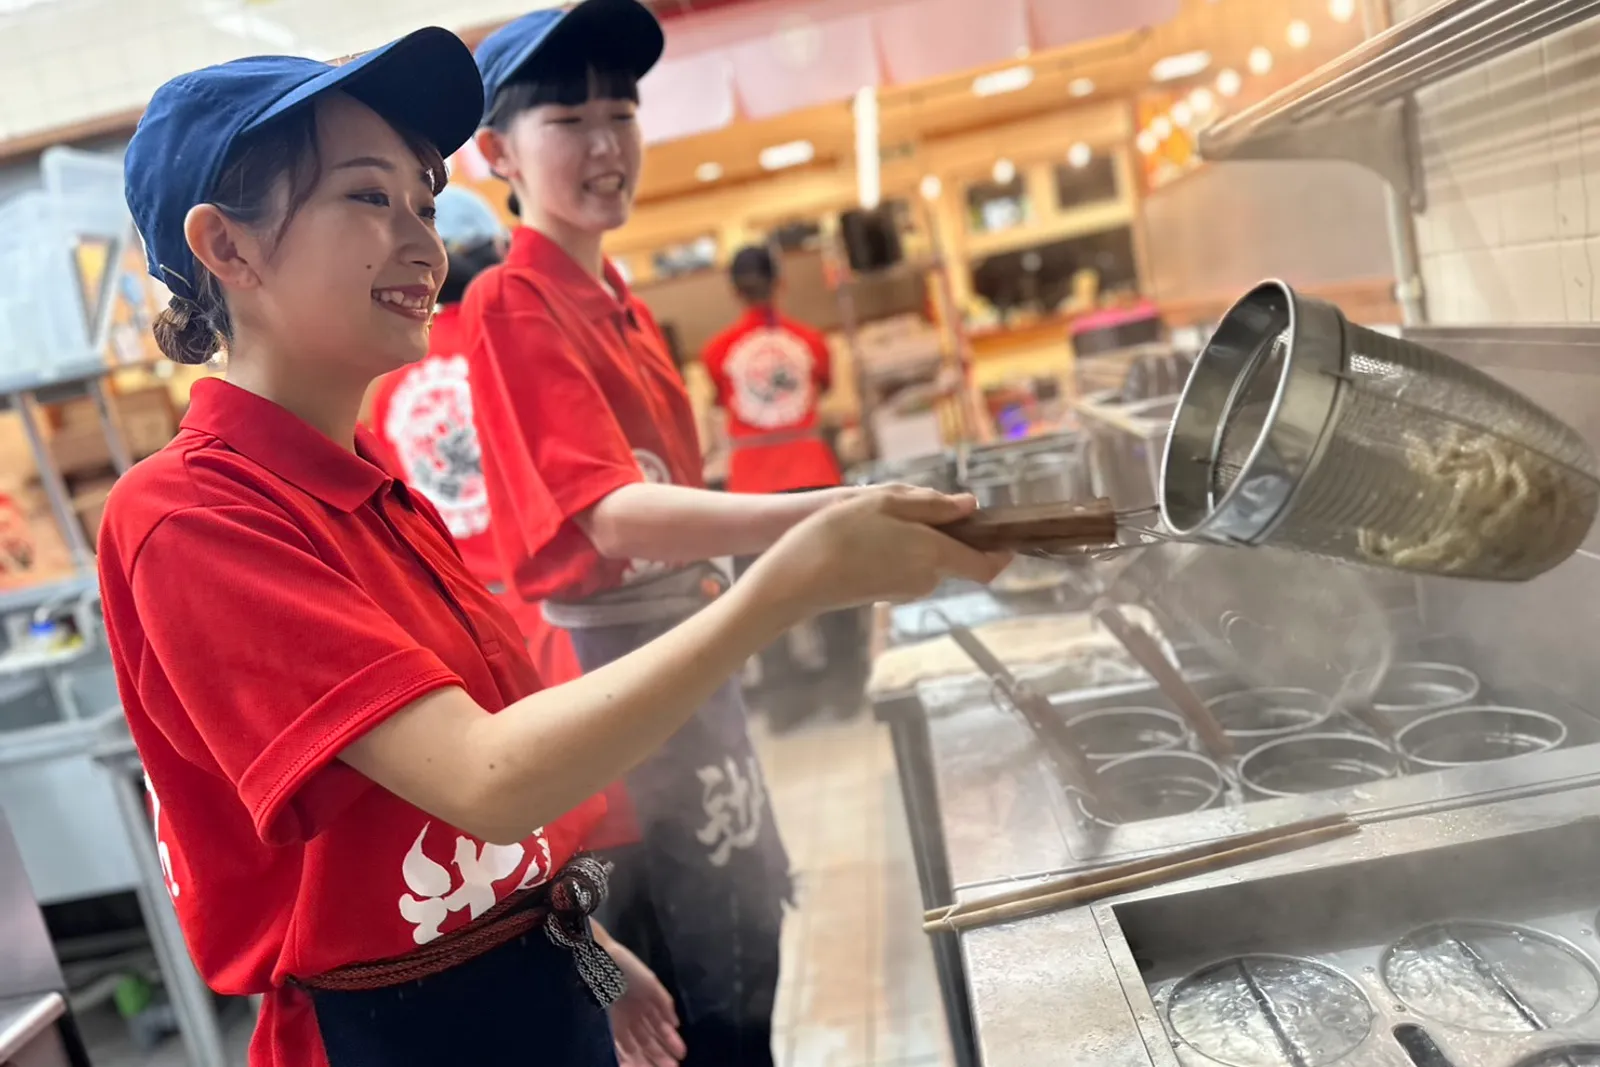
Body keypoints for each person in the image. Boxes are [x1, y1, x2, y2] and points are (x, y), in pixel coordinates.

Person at [99, 27, 1004, 1067]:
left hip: (530, 973)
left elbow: (483, 816)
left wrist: (591, 950)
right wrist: (786, 582)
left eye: (423, 202)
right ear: (227, 247)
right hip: (403, 1031)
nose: (422, 240)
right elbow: (487, 777)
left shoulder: (377, 491)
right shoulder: (192, 514)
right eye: (367, 196)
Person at [465, 3, 909, 1063]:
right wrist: (825, 513)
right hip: (610, 699)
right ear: (497, 153)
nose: (607, 144)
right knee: (687, 1016)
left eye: (621, 111)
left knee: (751, 960)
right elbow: (608, 514)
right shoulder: (509, 301)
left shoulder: (615, 298)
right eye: (569, 119)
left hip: (686, 673)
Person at [365, 185, 582, 688]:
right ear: (496, 254)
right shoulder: (526, 347)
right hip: (562, 609)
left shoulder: (391, 386)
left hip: (469, 630)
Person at [702, 245, 865, 733]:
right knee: (835, 590)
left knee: (764, 600)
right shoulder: (812, 342)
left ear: (734, 289)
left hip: (752, 489)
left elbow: (719, 398)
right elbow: (825, 388)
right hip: (813, 477)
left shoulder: (716, 352)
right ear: (782, 282)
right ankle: (846, 689)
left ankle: (786, 703)